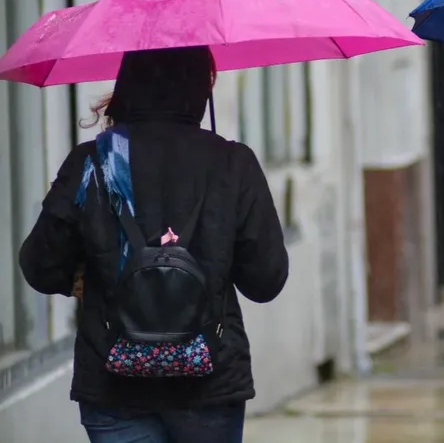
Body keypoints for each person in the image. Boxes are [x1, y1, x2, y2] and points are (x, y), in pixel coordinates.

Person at [18, 46, 288, 443]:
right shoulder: (233, 163)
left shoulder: (91, 162)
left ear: (128, 85)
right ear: (200, 86)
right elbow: (266, 280)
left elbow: (40, 265)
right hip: (209, 383)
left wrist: (81, 275)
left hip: (113, 384)